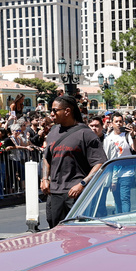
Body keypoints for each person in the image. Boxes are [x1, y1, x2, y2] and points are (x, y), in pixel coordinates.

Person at [41, 95, 105, 228]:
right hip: (55, 193)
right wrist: (44, 179)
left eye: (54, 110)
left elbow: (99, 163)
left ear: (67, 111)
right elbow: (47, 157)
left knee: (78, 235)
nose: (51, 114)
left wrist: (82, 184)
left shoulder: (86, 134)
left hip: (75, 195)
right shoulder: (53, 131)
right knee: (55, 232)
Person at [102, 112, 136, 214]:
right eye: (116, 122)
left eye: (120, 121)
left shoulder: (127, 135)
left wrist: (134, 136)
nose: (119, 124)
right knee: (117, 200)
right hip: (114, 172)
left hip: (127, 172)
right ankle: (119, 218)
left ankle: (126, 219)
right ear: (112, 123)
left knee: (125, 198)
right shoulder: (108, 138)